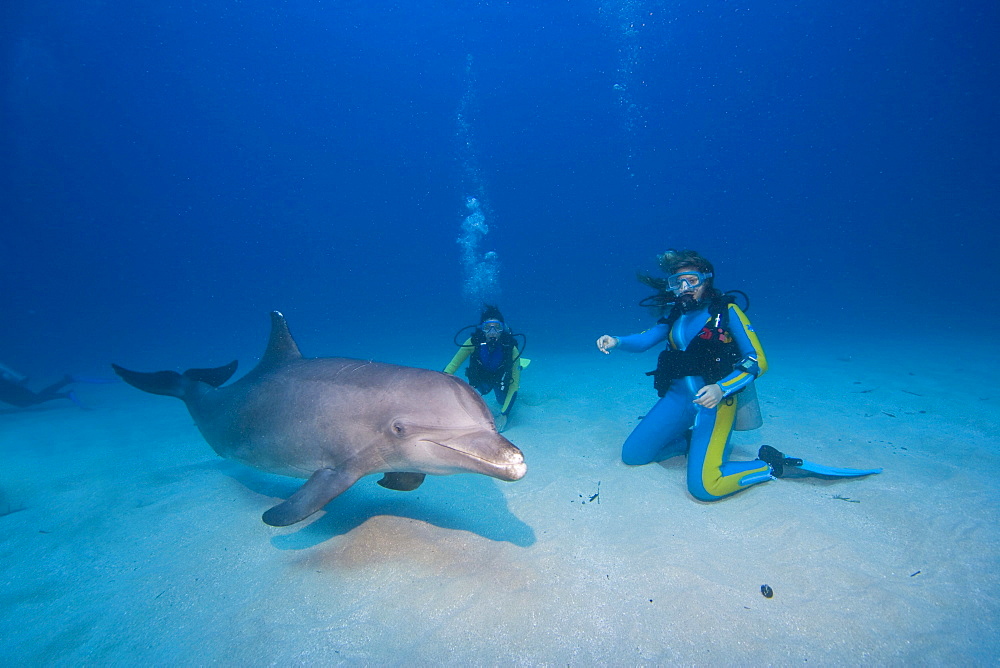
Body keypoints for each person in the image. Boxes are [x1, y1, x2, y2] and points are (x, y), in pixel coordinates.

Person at [595, 249, 774, 501]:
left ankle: (771, 464)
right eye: (677, 282)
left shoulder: (727, 311)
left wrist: (721, 388)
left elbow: (758, 361)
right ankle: (690, 440)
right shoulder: (676, 315)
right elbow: (646, 339)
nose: (684, 287)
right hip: (678, 399)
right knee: (633, 455)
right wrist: (616, 340)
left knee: (706, 487)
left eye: (691, 280)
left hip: (717, 403)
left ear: (706, 280)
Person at [444, 305, 527, 432]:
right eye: (487, 327)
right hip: (480, 379)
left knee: (502, 401)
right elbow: (451, 368)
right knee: (474, 397)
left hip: (500, 380)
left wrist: (504, 414)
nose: (492, 332)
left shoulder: (511, 348)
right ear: (481, 329)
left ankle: (520, 365)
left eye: (497, 327)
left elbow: (514, 386)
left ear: (503, 329)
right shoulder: (472, 342)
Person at [0, 362, 79, 408]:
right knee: (35, 398)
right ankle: (66, 382)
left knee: (36, 399)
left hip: (9, 390)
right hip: (9, 389)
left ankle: (66, 394)